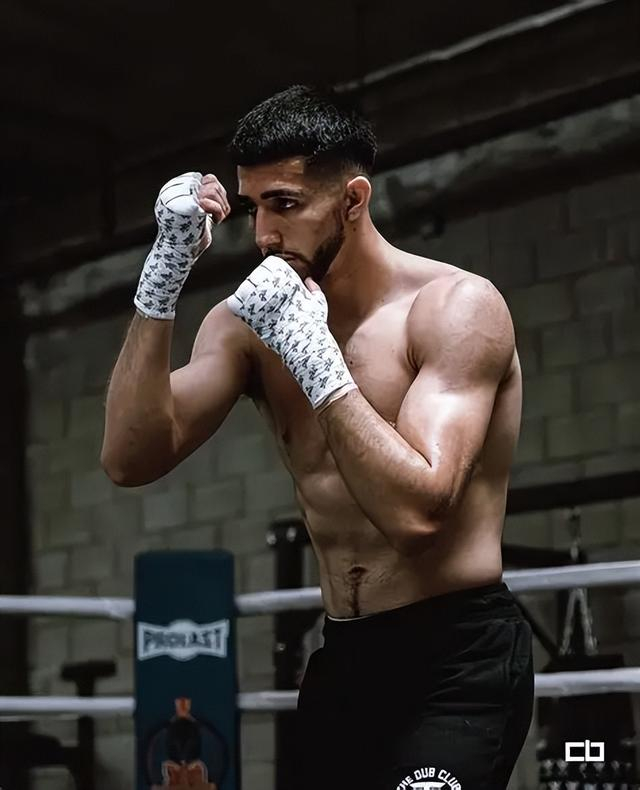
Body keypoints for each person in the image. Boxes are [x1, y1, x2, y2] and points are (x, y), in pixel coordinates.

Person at [102, 85, 533, 790]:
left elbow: (418, 516)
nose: (264, 235)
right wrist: (162, 277)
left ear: (353, 200)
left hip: (455, 659)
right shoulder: (250, 325)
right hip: (344, 657)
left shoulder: (455, 308)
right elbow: (129, 457)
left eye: (286, 204)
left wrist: (317, 361)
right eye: (253, 208)